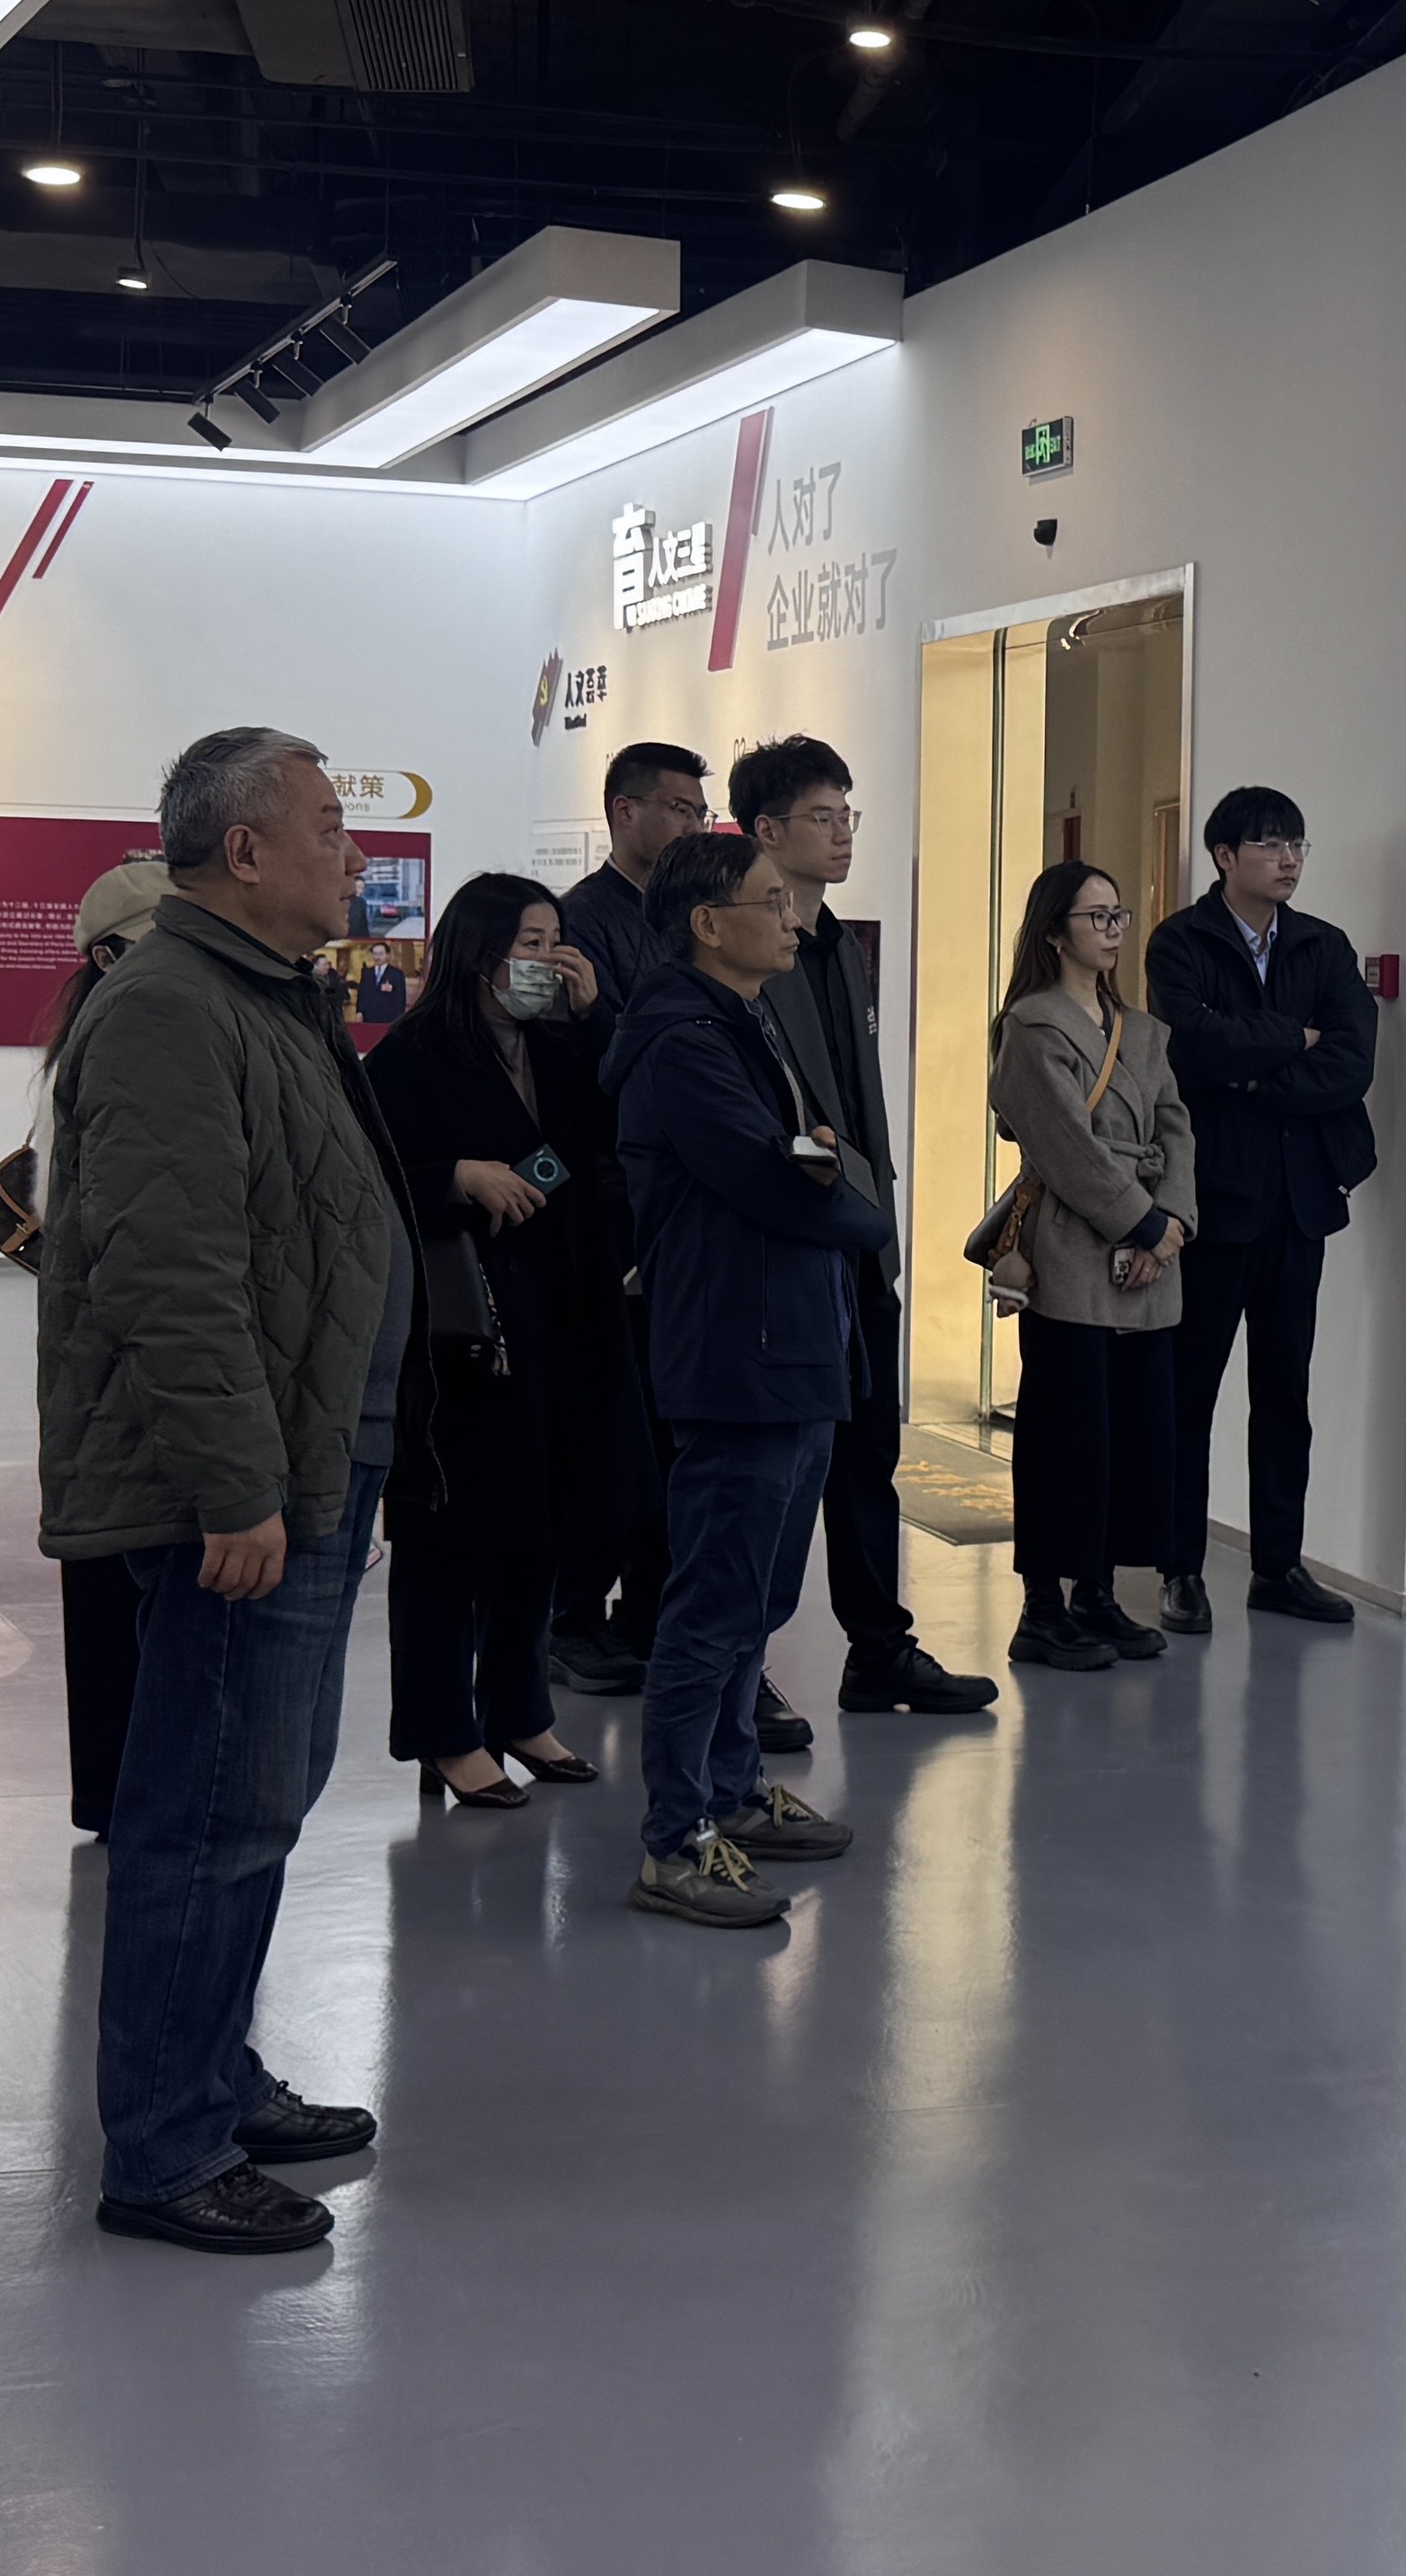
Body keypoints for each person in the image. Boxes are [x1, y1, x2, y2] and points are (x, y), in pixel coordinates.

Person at [40, 728, 406, 2257]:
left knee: (258, 1798)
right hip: (246, 1487)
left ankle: (213, 2073)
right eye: (327, 826)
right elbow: (172, 1273)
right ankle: (166, 2144)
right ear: (243, 851)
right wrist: (237, 1486)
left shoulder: (263, 995)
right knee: (203, 1814)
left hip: (312, 1459)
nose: (352, 854)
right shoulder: (168, 1009)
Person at [600, 833, 884, 1928]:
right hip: (738, 1352)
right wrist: (851, 1199)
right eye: (772, 902)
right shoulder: (682, 1038)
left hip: (792, 1345)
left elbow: (815, 1155)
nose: (793, 919)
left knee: (758, 1598)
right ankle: (676, 1839)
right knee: (715, 1601)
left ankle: (728, 1791)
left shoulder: (742, 1019)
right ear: (709, 924)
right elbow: (779, 1176)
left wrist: (825, 1170)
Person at [732, 732, 998, 1716]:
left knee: (867, 1457)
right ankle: (740, 1669)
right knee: (771, 1474)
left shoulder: (841, 944)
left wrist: (878, 1226)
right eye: (822, 816)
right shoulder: (742, 950)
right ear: (766, 831)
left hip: (858, 1238)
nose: (843, 833)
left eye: (848, 815)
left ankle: (879, 1645)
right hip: (785, 1245)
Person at [365, 872, 618, 1807]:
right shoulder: (412, 1055)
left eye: (556, 942)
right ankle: (443, 1732)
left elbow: (598, 1135)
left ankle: (519, 1710)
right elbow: (372, 1180)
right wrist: (457, 1178)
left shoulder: (557, 1047)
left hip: (555, 1315)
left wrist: (593, 1020)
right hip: (461, 1335)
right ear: (478, 954)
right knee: (447, 1537)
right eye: (528, 944)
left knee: (535, 1526)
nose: (546, 961)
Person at [1145, 786, 1380, 1625]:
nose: (1288, 860)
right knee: (1190, 1392)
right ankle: (1180, 1569)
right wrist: (1291, 1038)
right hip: (1214, 1200)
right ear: (1224, 856)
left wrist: (1253, 1076)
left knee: (1285, 1394)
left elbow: (1351, 1062)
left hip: (1299, 1201)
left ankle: (1278, 1567)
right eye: (1271, 845)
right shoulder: (1182, 941)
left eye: (1297, 845)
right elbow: (1192, 1047)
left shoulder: (1323, 945)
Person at [986, 861, 1198, 1671]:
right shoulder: (1031, 1027)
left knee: (1132, 1433)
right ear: (1054, 931)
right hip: (1076, 1249)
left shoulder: (1141, 1030)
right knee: (1066, 1436)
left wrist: (1170, 1226)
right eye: (1096, 916)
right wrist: (1142, 1222)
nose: (1113, 930)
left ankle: (1098, 1593)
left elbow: (1177, 1127)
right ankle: (1043, 1606)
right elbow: (1064, 1145)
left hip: (1152, 1256)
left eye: (1118, 915)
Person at [544, 741, 706, 1700]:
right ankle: (571, 1615)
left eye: (698, 811)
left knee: (669, 1425)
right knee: (610, 1420)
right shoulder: (584, 921)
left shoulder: (689, 921)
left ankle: (645, 1611)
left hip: (676, 1205)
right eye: (677, 808)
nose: (690, 824)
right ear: (623, 811)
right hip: (609, 1204)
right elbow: (596, 1067)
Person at [35, 856, 169, 1835]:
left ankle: (125, 1789)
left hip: (128, 1348)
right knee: (116, 1562)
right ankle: (120, 1792)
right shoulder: (111, 1049)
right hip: (114, 1352)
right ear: (111, 954)